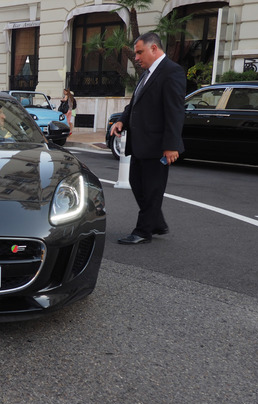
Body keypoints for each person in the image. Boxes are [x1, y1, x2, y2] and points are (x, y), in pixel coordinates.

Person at [110, 32, 185, 245]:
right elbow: (134, 103)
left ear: (154, 48)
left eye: (139, 52)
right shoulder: (146, 74)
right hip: (140, 144)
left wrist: (171, 145)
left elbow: (175, 112)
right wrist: (121, 120)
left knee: (152, 190)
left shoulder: (172, 72)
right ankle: (157, 222)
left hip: (158, 146)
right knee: (137, 184)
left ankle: (143, 231)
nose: (136, 57)